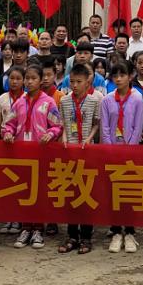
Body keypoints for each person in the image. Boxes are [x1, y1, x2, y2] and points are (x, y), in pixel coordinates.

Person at [1, 65, 62, 249]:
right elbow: (8, 124)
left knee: (40, 191)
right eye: (27, 78)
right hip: (22, 154)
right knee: (24, 191)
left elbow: (57, 126)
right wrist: (8, 134)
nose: (28, 81)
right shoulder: (19, 102)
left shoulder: (48, 102)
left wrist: (50, 134)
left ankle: (38, 229)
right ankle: (25, 227)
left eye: (33, 78)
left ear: (41, 79)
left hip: (41, 153)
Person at [57, 62, 104, 254]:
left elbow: (96, 124)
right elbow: (63, 124)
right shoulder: (64, 101)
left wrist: (89, 139)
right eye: (72, 81)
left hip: (88, 151)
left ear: (88, 82)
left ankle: (86, 236)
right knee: (70, 194)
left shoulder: (94, 101)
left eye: (79, 81)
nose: (75, 85)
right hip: (70, 152)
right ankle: (71, 235)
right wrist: (66, 140)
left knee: (86, 194)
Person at [100, 60, 143, 253]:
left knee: (130, 191)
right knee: (114, 192)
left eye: (122, 75)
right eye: (115, 76)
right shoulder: (107, 99)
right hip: (112, 152)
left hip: (130, 153)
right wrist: (111, 149)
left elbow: (138, 126)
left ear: (130, 76)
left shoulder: (137, 99)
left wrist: (129, 150)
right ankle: (117, 231)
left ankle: (131, 232)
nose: (118, 79)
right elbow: (105, 127)